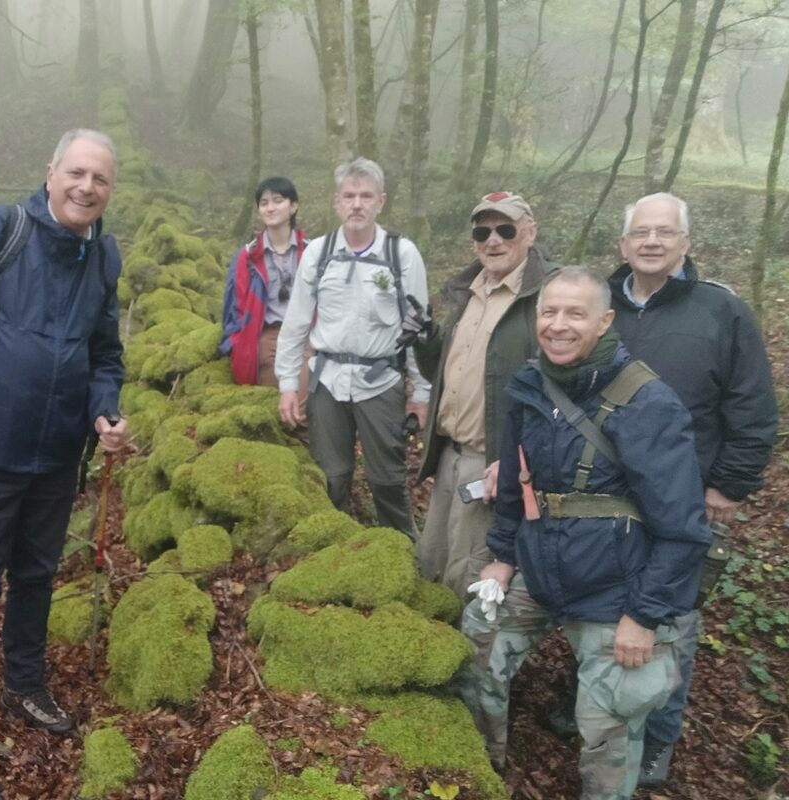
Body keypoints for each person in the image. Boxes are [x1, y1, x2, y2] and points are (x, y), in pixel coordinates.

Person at [458, 266, 712, 800]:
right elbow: (511, 485)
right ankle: (479, 771)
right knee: (478, 636)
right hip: (539, 567)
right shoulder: (528, 385)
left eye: (575, 313)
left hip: (616, 589)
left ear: (604, 321)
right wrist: (502, 557)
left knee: (608, 723)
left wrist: (644, 616)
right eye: (549, 312)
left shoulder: (648, 403)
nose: (558, 325)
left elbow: (684, 530)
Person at [0, 128, 129, 736]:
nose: (86, 188)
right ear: (51, 172)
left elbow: (104, 353)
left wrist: (105, 410)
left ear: (110, 190)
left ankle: (25, 686)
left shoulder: (103, 256)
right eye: (77, 174)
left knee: (36, 575)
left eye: (100, 179)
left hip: (59, 454)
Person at [607, 192, 778, 787]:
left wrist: (728, 484)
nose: (651, 242)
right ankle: (602, 704)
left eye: (664, 232)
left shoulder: (720, 312)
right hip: (604, 492)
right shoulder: (600, 304)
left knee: (670, 620)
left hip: (683, 497)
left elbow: (753, 406)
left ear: (685, 242)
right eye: (640, 232)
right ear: (623, 243)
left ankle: (659, 738)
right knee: (605, 607)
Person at [274, 157, 430, 535]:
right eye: (349, 196)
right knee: (331, 475)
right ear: (337, 202)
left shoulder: (402, 254)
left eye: (365, 196)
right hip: (326, 382)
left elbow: (419, 329)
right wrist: (287, 385)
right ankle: (333, 547)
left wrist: (422, 391)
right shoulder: (318, 253)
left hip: (381, 381)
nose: (357, 204)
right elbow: (295, 323)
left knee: (387, 479)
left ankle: (403, 549)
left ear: (381, 201)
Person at [412, 192, 557, 596]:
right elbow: (450, 373)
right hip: (449, 453)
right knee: (433, 556)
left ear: (529, 232)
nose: (493, 240)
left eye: (505, 229)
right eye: (482, 231)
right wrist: (427, 342)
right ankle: (432, 642)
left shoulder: (546, 297)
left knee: (471, 570)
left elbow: (557, 392)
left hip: (492, 460)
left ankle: (471, 654)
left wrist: (515, 460)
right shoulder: (468, 290)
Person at [220, 176, 309, 387]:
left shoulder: (312, 252)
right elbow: (232, 306)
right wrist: (233, 342)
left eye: (278, 200)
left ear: (293, 206)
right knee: (274, 384)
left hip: (306, 333)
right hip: (267, 334)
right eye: (264, 203)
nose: (270, 208)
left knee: (307, 384)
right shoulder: (247, 256)